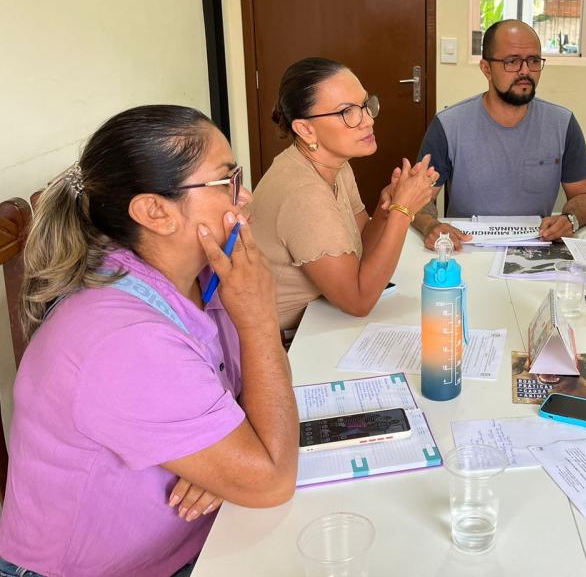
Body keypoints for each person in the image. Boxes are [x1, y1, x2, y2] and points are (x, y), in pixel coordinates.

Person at [0, 106, 298, 577]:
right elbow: (271, 480)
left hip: (199, 539)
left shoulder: (205, 277)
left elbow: (253, 408)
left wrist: (227, 464)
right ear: (156, 212)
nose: (245, 196)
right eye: (227, 180)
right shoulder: (123, 338)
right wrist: (260, 322)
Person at [249, 58, 438, 340]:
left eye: (365, 105)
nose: (368, 120)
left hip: (319, 321)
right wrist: (403, 211)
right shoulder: (304, 193)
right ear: (305, 129)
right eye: (347, 112)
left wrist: (386, 208)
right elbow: (358, 301)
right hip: (286, 343)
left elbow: (360, 247)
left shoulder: (334, 165)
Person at [413, 19, 586, 250]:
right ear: (486, 69)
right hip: (466, 249)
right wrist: (430, 226)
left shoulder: (563, 123)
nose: (525, 71)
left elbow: (585, 195)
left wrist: (570, 220)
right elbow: (418, 198)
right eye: (512, 61)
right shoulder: (449, 125)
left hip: (536, 248)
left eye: (533, 61)